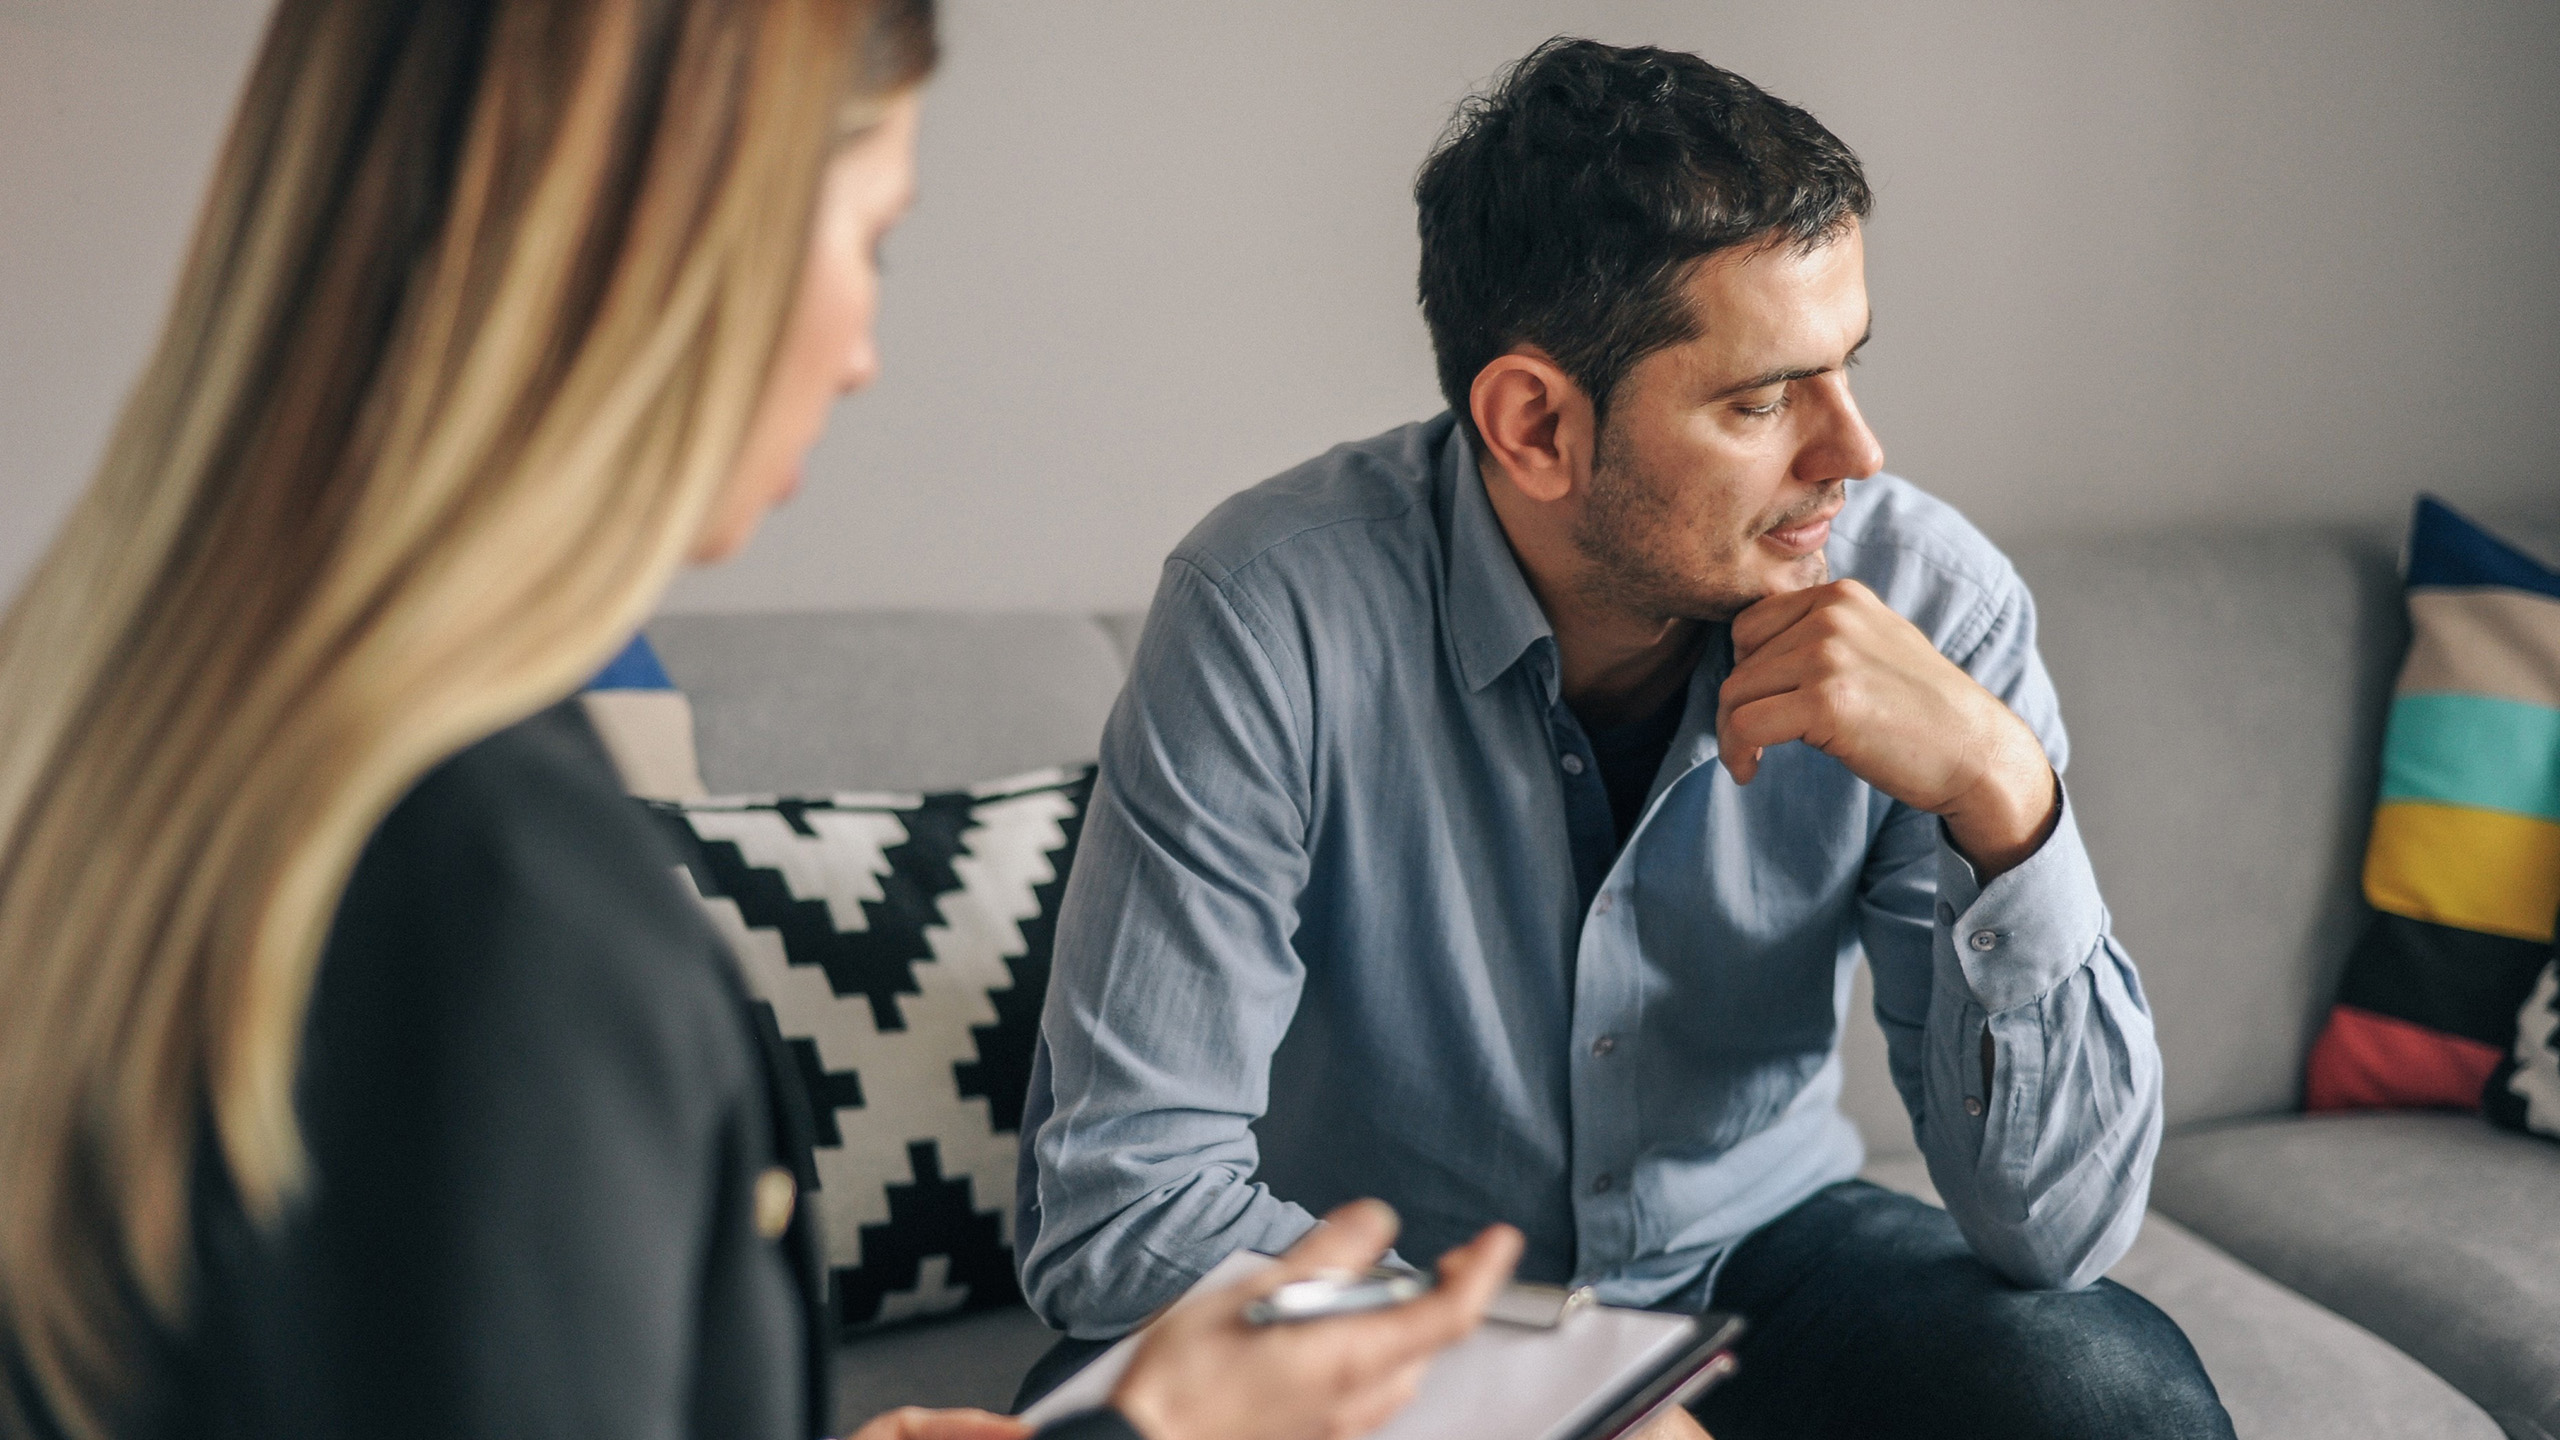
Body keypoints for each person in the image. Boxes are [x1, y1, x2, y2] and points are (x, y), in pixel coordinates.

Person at [0, 3, 1525, 1439]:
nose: (864, 354)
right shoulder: (493, 886)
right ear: (650, 248)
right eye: (867, 242)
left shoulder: (169, 740)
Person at [1015, 37, 2237, 1440]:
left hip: (1751, 1259)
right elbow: (1120, 1206)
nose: (1856, 453)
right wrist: (1531, 1396)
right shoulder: (1267, 612)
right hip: (1357, 1301)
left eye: (1847, 369)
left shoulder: (1932, 604)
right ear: (1535, 424)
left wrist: (2006, 801)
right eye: (1764, 400)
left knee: (2107, 1396)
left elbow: (2061, 1228)